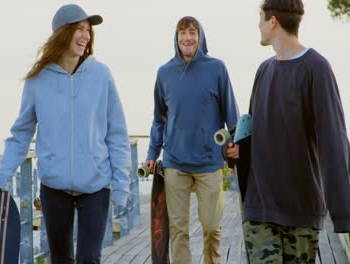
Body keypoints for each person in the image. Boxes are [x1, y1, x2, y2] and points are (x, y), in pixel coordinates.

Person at [0, 4, 131, 263]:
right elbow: (21, 134)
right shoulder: (38, 80)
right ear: (62, 34)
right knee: (60, 259)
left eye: (87, 30)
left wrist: (122, 185)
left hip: (95, 186)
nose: (85, 36)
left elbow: (117, 133)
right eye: (78, 29)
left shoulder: (101, 75)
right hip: (54, 187)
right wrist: (2, 176)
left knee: (89, 258)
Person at [225, 0, 350, 263]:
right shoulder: (264, 71)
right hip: (260, 208)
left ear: (273, 21)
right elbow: (253, 131)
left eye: (260, 17)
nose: (258, 24)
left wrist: (343, 213)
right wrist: (234, 149)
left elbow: (334, 141)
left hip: (301, 212)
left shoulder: (317, 68)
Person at [146, 16, 239, 264]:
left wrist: (238, 146)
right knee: (178, 231)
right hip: (175, 163)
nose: (187, 38)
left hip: (209, 162)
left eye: (192, 33)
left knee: (211, 227)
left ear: (200, 37)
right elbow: (159, 120)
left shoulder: (216, 68)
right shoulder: (164, 73)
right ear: (176, 39)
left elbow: (232, 116)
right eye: (182, 33)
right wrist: (151, 155)